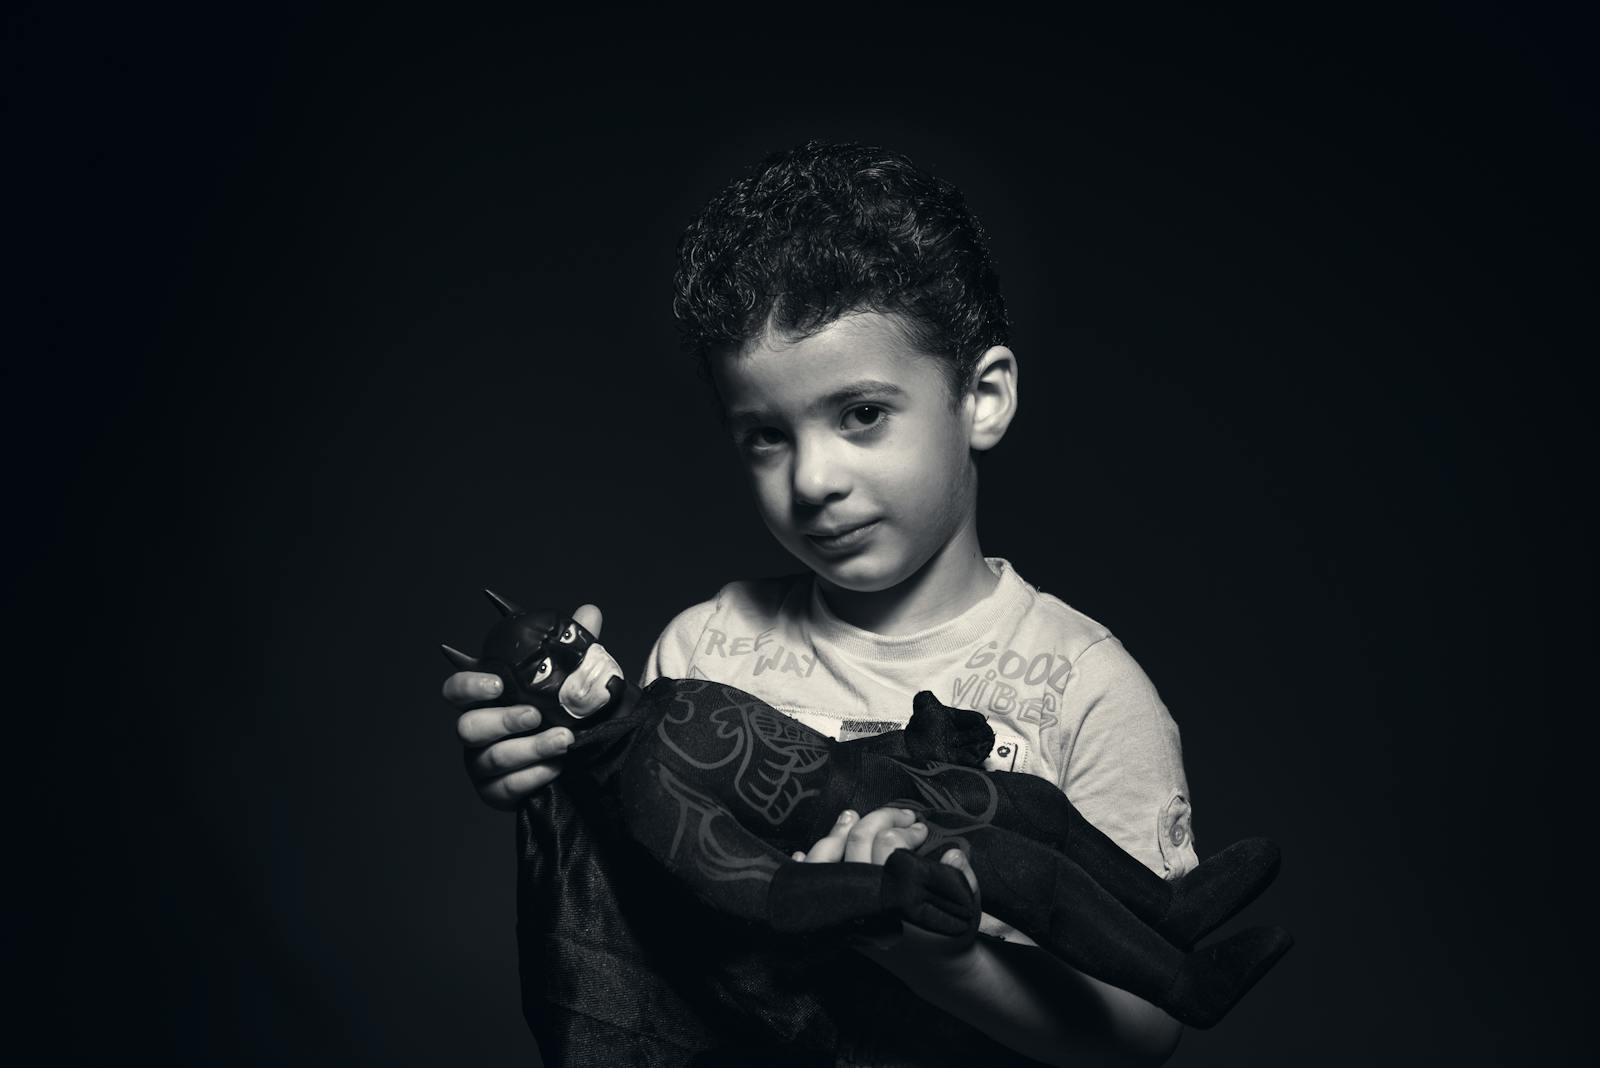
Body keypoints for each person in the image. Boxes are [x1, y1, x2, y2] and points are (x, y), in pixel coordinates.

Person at [445, 141, 1208, 1066]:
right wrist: (557, 781)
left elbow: (1148, 1030)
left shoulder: (1088, 689)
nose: (813, 480)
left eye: (861, 415)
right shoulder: (705, 646)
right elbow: (651, 930)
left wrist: (936, 955)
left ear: (984, 397)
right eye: (767, 436)